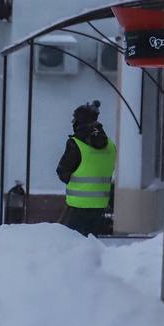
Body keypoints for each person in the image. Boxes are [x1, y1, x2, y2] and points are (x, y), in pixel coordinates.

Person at [56, 100, 117, 236]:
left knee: (72, 244)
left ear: (78, 121)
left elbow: (62, 171)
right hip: (100, 207)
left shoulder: (75, 144)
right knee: (91, 245)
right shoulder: (111, 146)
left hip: (77, 207)